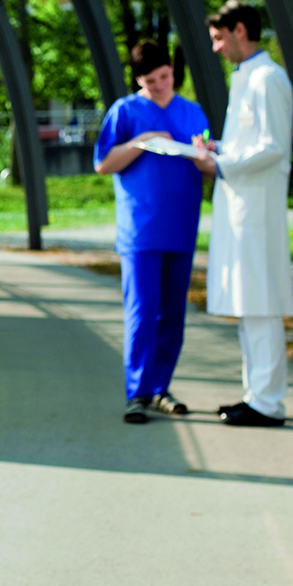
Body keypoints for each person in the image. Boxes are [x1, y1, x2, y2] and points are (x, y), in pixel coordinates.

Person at [94, 41, 211, 424]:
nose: (160, 86)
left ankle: (160, 388)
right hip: (140, 231)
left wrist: (206, 157)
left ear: (173, 71)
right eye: (150, 80)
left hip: (181, 226)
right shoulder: (125, 111)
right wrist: (142, 142)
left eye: (164, 76)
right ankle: (137, 393)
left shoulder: (193, 112)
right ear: (138, 80)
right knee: (142, 313)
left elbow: (206, 168)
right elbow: (104, 163)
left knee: (173, 315)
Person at [194, 0, 293, 427]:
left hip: (257, 210)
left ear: (239, 30)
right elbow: (249, 143)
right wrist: (220, 149)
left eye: (219, 38)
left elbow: (272, 147)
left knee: (261, 304)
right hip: (243, 207)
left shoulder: (268, 78)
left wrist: (220, 163)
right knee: (248, 304)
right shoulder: (248, 77)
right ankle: (255, 394)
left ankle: (268, 402)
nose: (216, 48)